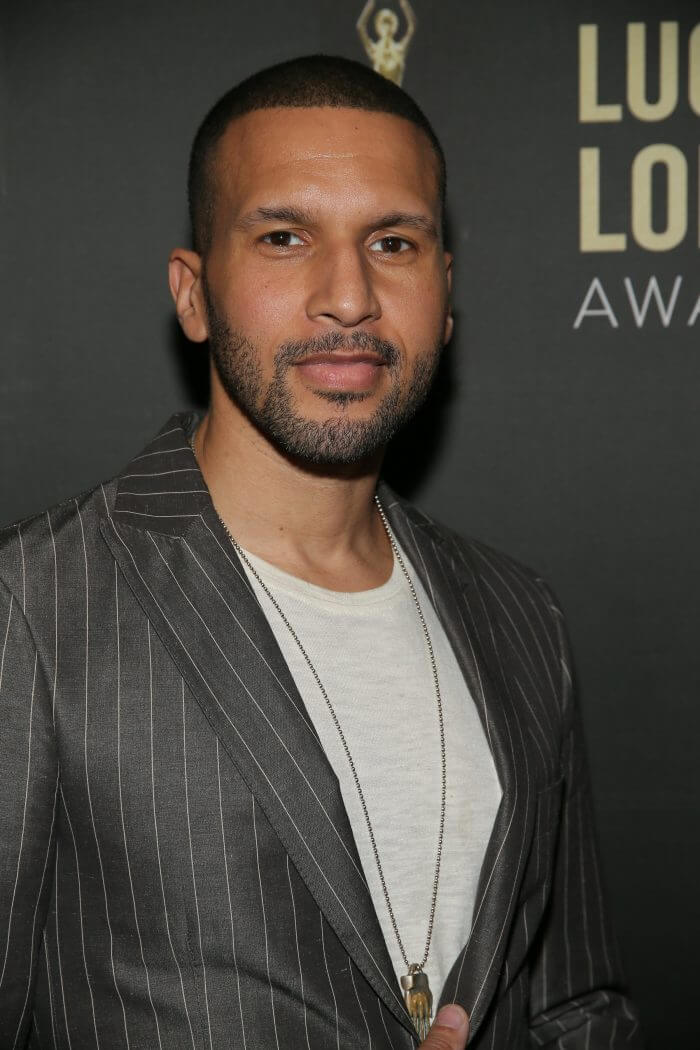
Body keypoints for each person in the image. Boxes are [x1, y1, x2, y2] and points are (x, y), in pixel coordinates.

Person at [0, 55, 641, 1049]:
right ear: (194, 294)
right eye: (284, 237)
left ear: (445, 293)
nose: (348, 296)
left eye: (393, 242)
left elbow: (575, 1008)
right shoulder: (33, 606)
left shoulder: (520, 612)